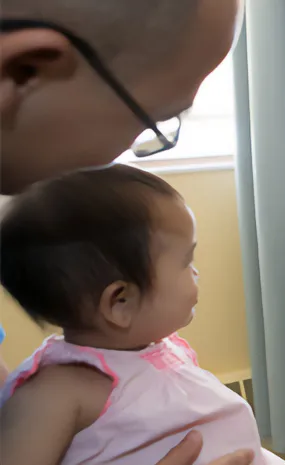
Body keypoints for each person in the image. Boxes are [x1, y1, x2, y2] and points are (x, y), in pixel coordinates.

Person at [0, 1, 250, 464]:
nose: (122, 153)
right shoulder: (61, 392)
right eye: (151, 118)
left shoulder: (153, 349)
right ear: (25, 71)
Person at [0, 165, 285, 465]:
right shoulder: (56, 394)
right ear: (120, 302)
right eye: (186, 261)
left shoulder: (158, 351)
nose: (196, 272)